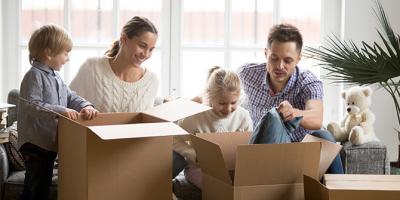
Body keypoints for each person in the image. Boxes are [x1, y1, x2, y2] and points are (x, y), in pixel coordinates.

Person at [237, 23, 344, 174]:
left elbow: (317, 118)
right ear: (266, 53)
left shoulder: (308, 82)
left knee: (324, 136)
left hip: (299, 153)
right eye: (274, 58)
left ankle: (338, 192)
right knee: (273, 119)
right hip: (264, 151)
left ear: (298, 59)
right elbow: (221, 86)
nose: (280, 66)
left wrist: (292, 112)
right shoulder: (247, 74)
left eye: (287, 60)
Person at [18, 24, 98, 200]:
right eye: (65, 53)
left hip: (47, 143)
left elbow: (71, 96)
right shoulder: (34, 76)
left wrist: (85, 106)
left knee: (32, 185)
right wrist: (61, 110)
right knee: (39, 187)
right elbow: (33, 105)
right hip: (35, 143)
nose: (67, 58)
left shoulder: (55, 77)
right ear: (48, 53)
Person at [174, 66, 253, 192]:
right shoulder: (194, 117)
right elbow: (173, 140)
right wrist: (193, 154)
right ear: (210, 97)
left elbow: (250, 148)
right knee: (221, 189)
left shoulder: (243, 116)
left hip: (232, 169)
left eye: (233, 103)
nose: (228, 109)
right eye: (222, 103)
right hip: (200, 170)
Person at [70, 16, 159, 112]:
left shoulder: (151, 80)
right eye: (142, 46)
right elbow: (67, 104)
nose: (146, 54)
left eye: (151, 49)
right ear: (124, 39)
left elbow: (147, 122)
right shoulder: (92, 68)